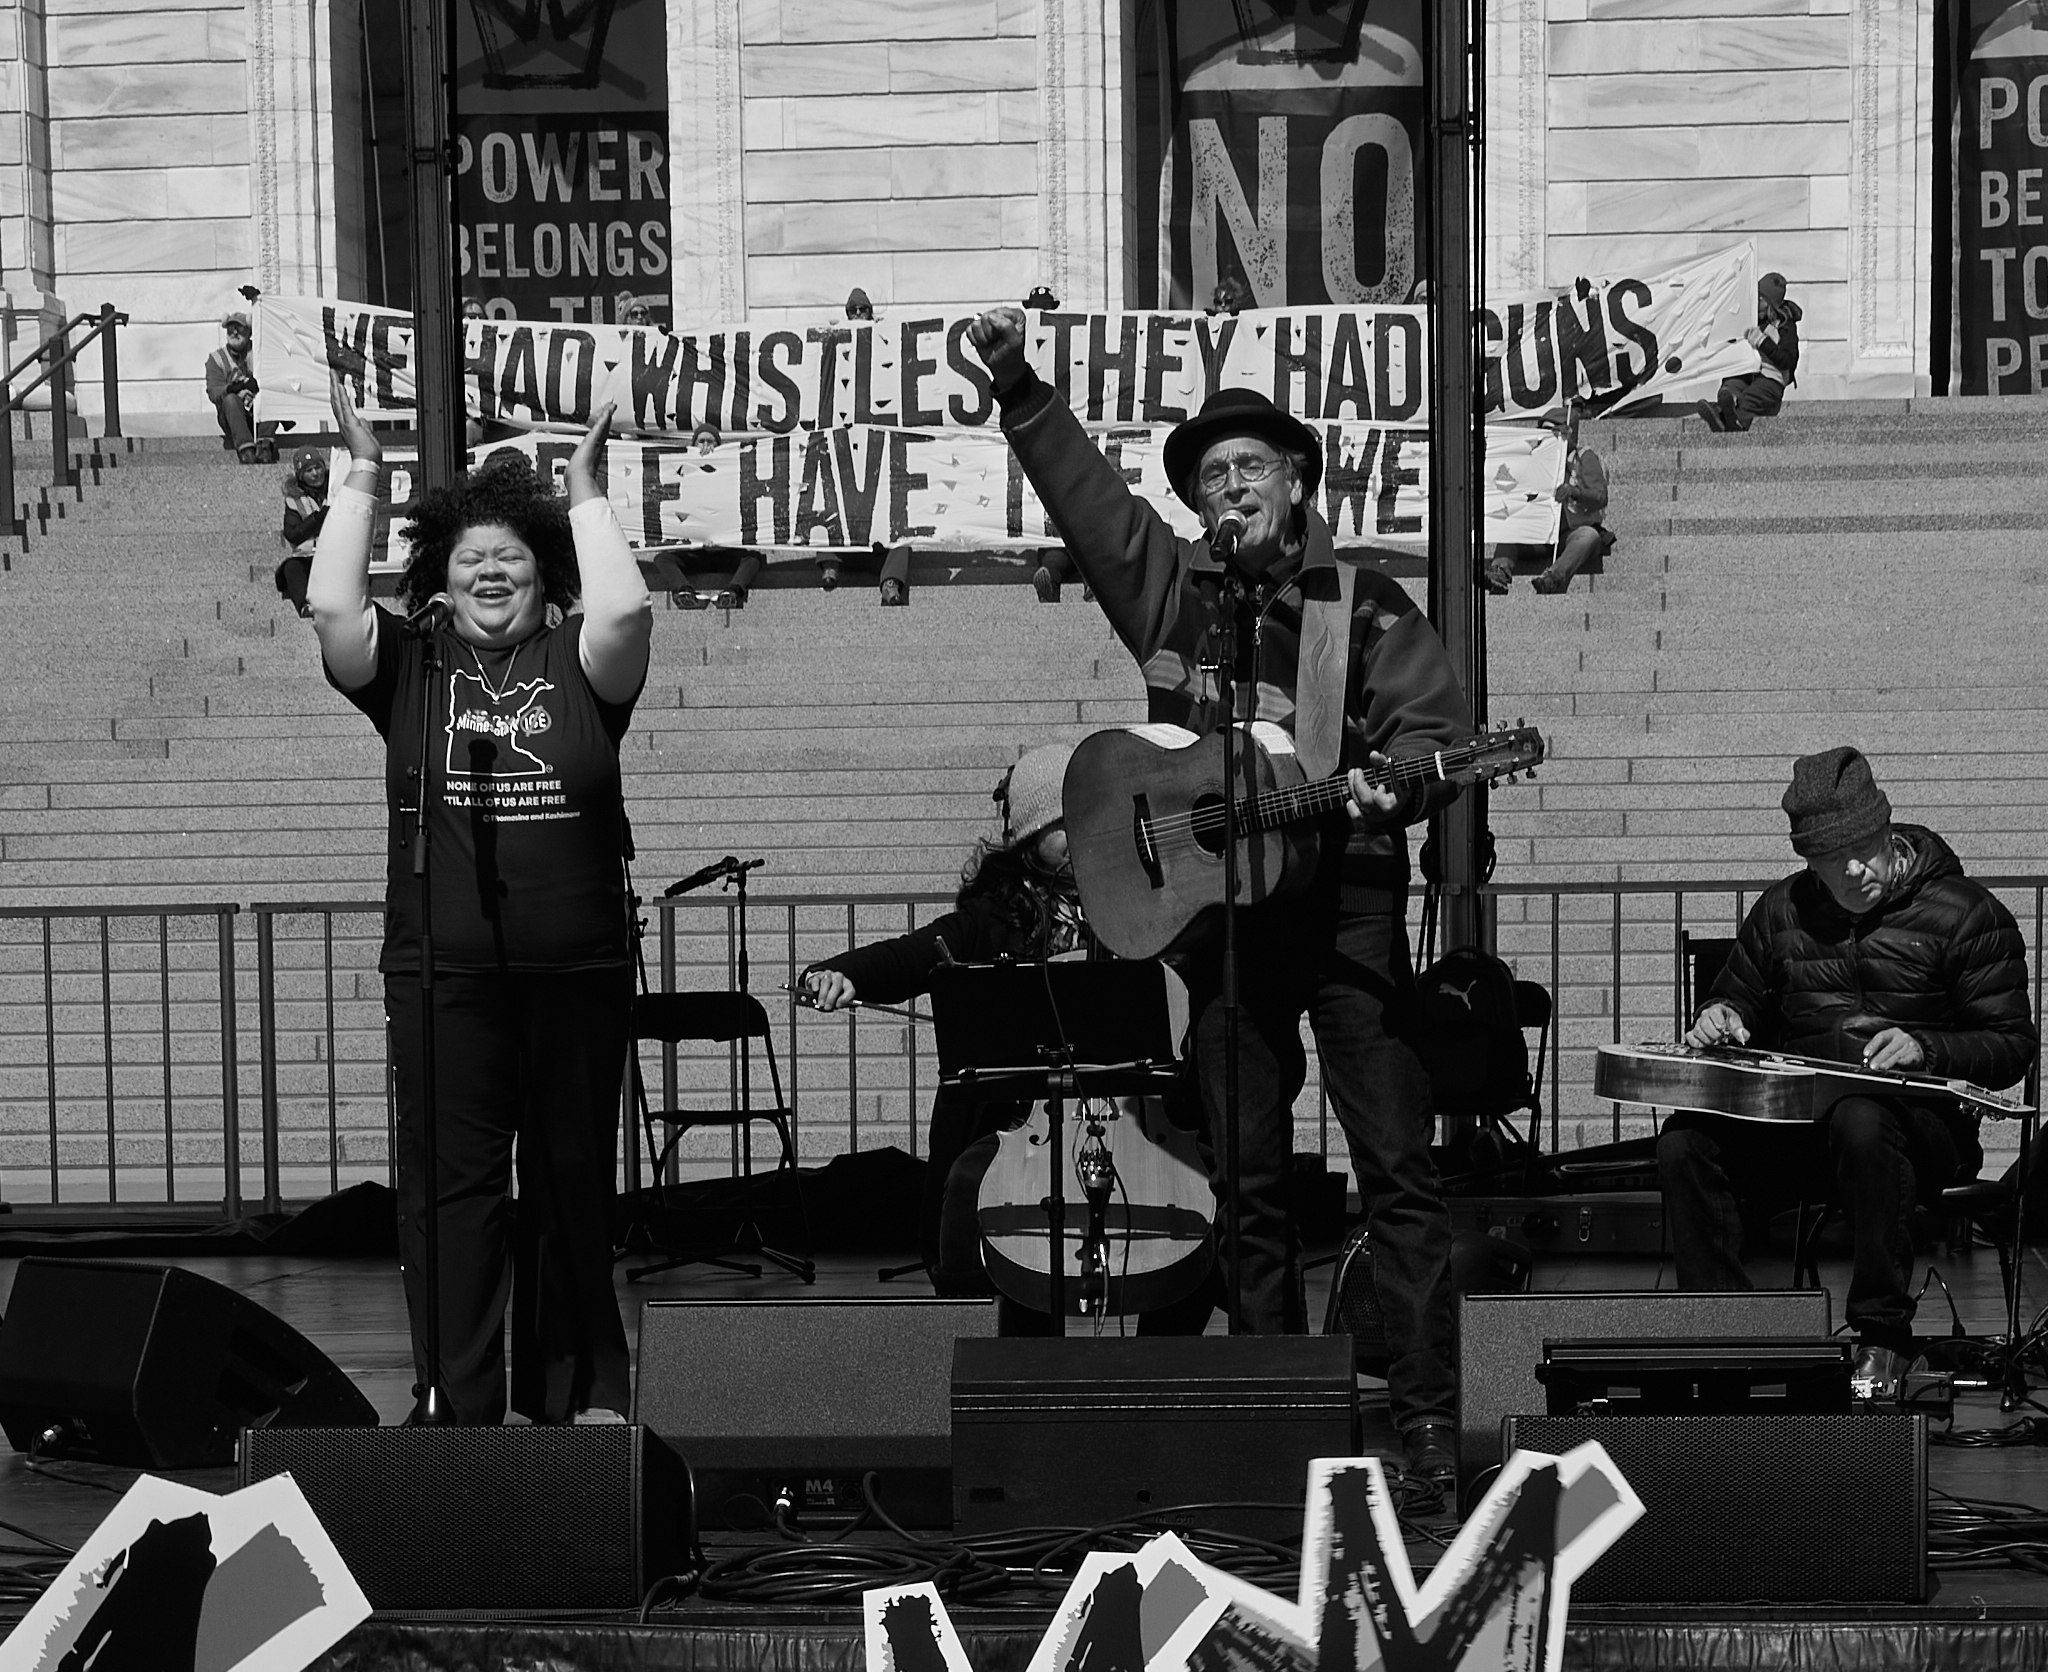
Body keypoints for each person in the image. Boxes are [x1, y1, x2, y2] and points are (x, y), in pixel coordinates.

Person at [968, 304, 1473, 1488]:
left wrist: (1389, 789)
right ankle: (1274, 1414)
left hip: (1342, 901)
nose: (1229, 486)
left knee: (1394, 1166)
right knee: (1245, 1179)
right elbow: (1090, 506)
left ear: (1295, 481)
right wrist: (1018, 388)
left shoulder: (1361, 600)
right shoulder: (1177, 596)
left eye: (1249, 467)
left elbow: (1428, 735)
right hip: (1217, 916)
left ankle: (1423, 1424)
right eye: (1209, 476)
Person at [307, 371, 653, 1426]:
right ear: (440, 580)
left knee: (567, 1184)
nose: (491, 570)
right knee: (451, 1193)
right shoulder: (409, 665)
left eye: (511, 557)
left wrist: (585, 493)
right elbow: (333, 606)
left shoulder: (582, 662)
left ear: (545, 576)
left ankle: (572, 1396)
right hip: (444, 976)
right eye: (470, 559)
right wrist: (364, 476)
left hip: (577, 971)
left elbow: (625, 606)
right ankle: (453, 1402)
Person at [1657, 747, 2037, 1396]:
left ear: (1888, 831)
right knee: (1686, 1143)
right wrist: (1722, 1015)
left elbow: (2010, 1047)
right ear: (1808, 860)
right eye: (1832, 860)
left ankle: (1882, 1338)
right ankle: (1723, 1335)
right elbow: (1739, 998)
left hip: (1921, 1131)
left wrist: (1925, 1048)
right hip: (1803, 1125)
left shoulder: (1967, 914)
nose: (1854, 869)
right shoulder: (1781, 911)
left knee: (1862, 1119)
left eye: (1864, 849)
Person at [800, 745, 1086, 1297]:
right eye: (1066, 820)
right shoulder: (992, 917)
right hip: (1014, 1128)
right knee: (970, 1193)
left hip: (1111, 1123)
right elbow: (912, 954)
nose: (1085, 830)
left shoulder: (1129, 905)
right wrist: (840, 973)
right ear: (1031, 836)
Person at [1699, 272, 1800, 432]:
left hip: (1770, 382)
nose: (1756, 302)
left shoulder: (1785, 326)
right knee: (1732, 385)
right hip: (1746, 374)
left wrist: (1763, 342)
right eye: (1756, 296)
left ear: (1771, 304)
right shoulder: (1747, 319)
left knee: (1752, 396)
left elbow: (1788, 360)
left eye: (1761, 299)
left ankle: (1733, 420)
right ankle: (1722, 411)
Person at [1530, 437, 1611, 595]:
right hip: (1540, 534)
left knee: (1588, 536)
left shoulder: (1583, 457)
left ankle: (1553, 578)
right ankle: (1499, 571)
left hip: (1573, 532)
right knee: (1510, 531)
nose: (1554, 436)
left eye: (1558, 431)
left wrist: (1575, 492)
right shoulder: (1536, 460)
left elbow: (1600, 497)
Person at [275, 448, 329, 619]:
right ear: (300, 475)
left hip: (334, 553)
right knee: (291, 567)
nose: (315, 474)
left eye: (318, 467)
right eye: (309, 470)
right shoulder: (294, 500)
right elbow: (292, 534)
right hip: (306, 556)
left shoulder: (336, 489)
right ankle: (305, 606)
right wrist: (317, 519)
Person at [206, 312, 262, 463]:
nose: (235, 332)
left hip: (257, 413)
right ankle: (246, 450)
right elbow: (213, 392)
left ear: (250, 332)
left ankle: (265, 444)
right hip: (232, 417)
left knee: (267, 397)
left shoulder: (260, 353)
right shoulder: (216, 359)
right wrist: (234, 389)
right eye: (231, 328)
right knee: (231, 400)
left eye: (240, 328)